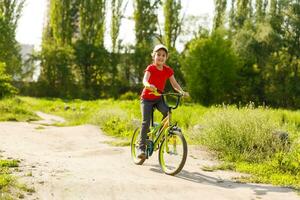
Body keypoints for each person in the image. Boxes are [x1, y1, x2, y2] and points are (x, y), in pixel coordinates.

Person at [137, 44, 188, 159]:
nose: (160, 57)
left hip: (158, 98)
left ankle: (159, 134)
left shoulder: (168, 70)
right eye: (158, 55)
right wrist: (148, 85)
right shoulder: (151, 68)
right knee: (146, 122)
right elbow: (144, 80)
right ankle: (141, 147)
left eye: (163, 55)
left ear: (166, 57)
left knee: (167, 113)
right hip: (146, 99)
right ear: (153, 56)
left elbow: (174, 84)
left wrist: (182, 92)